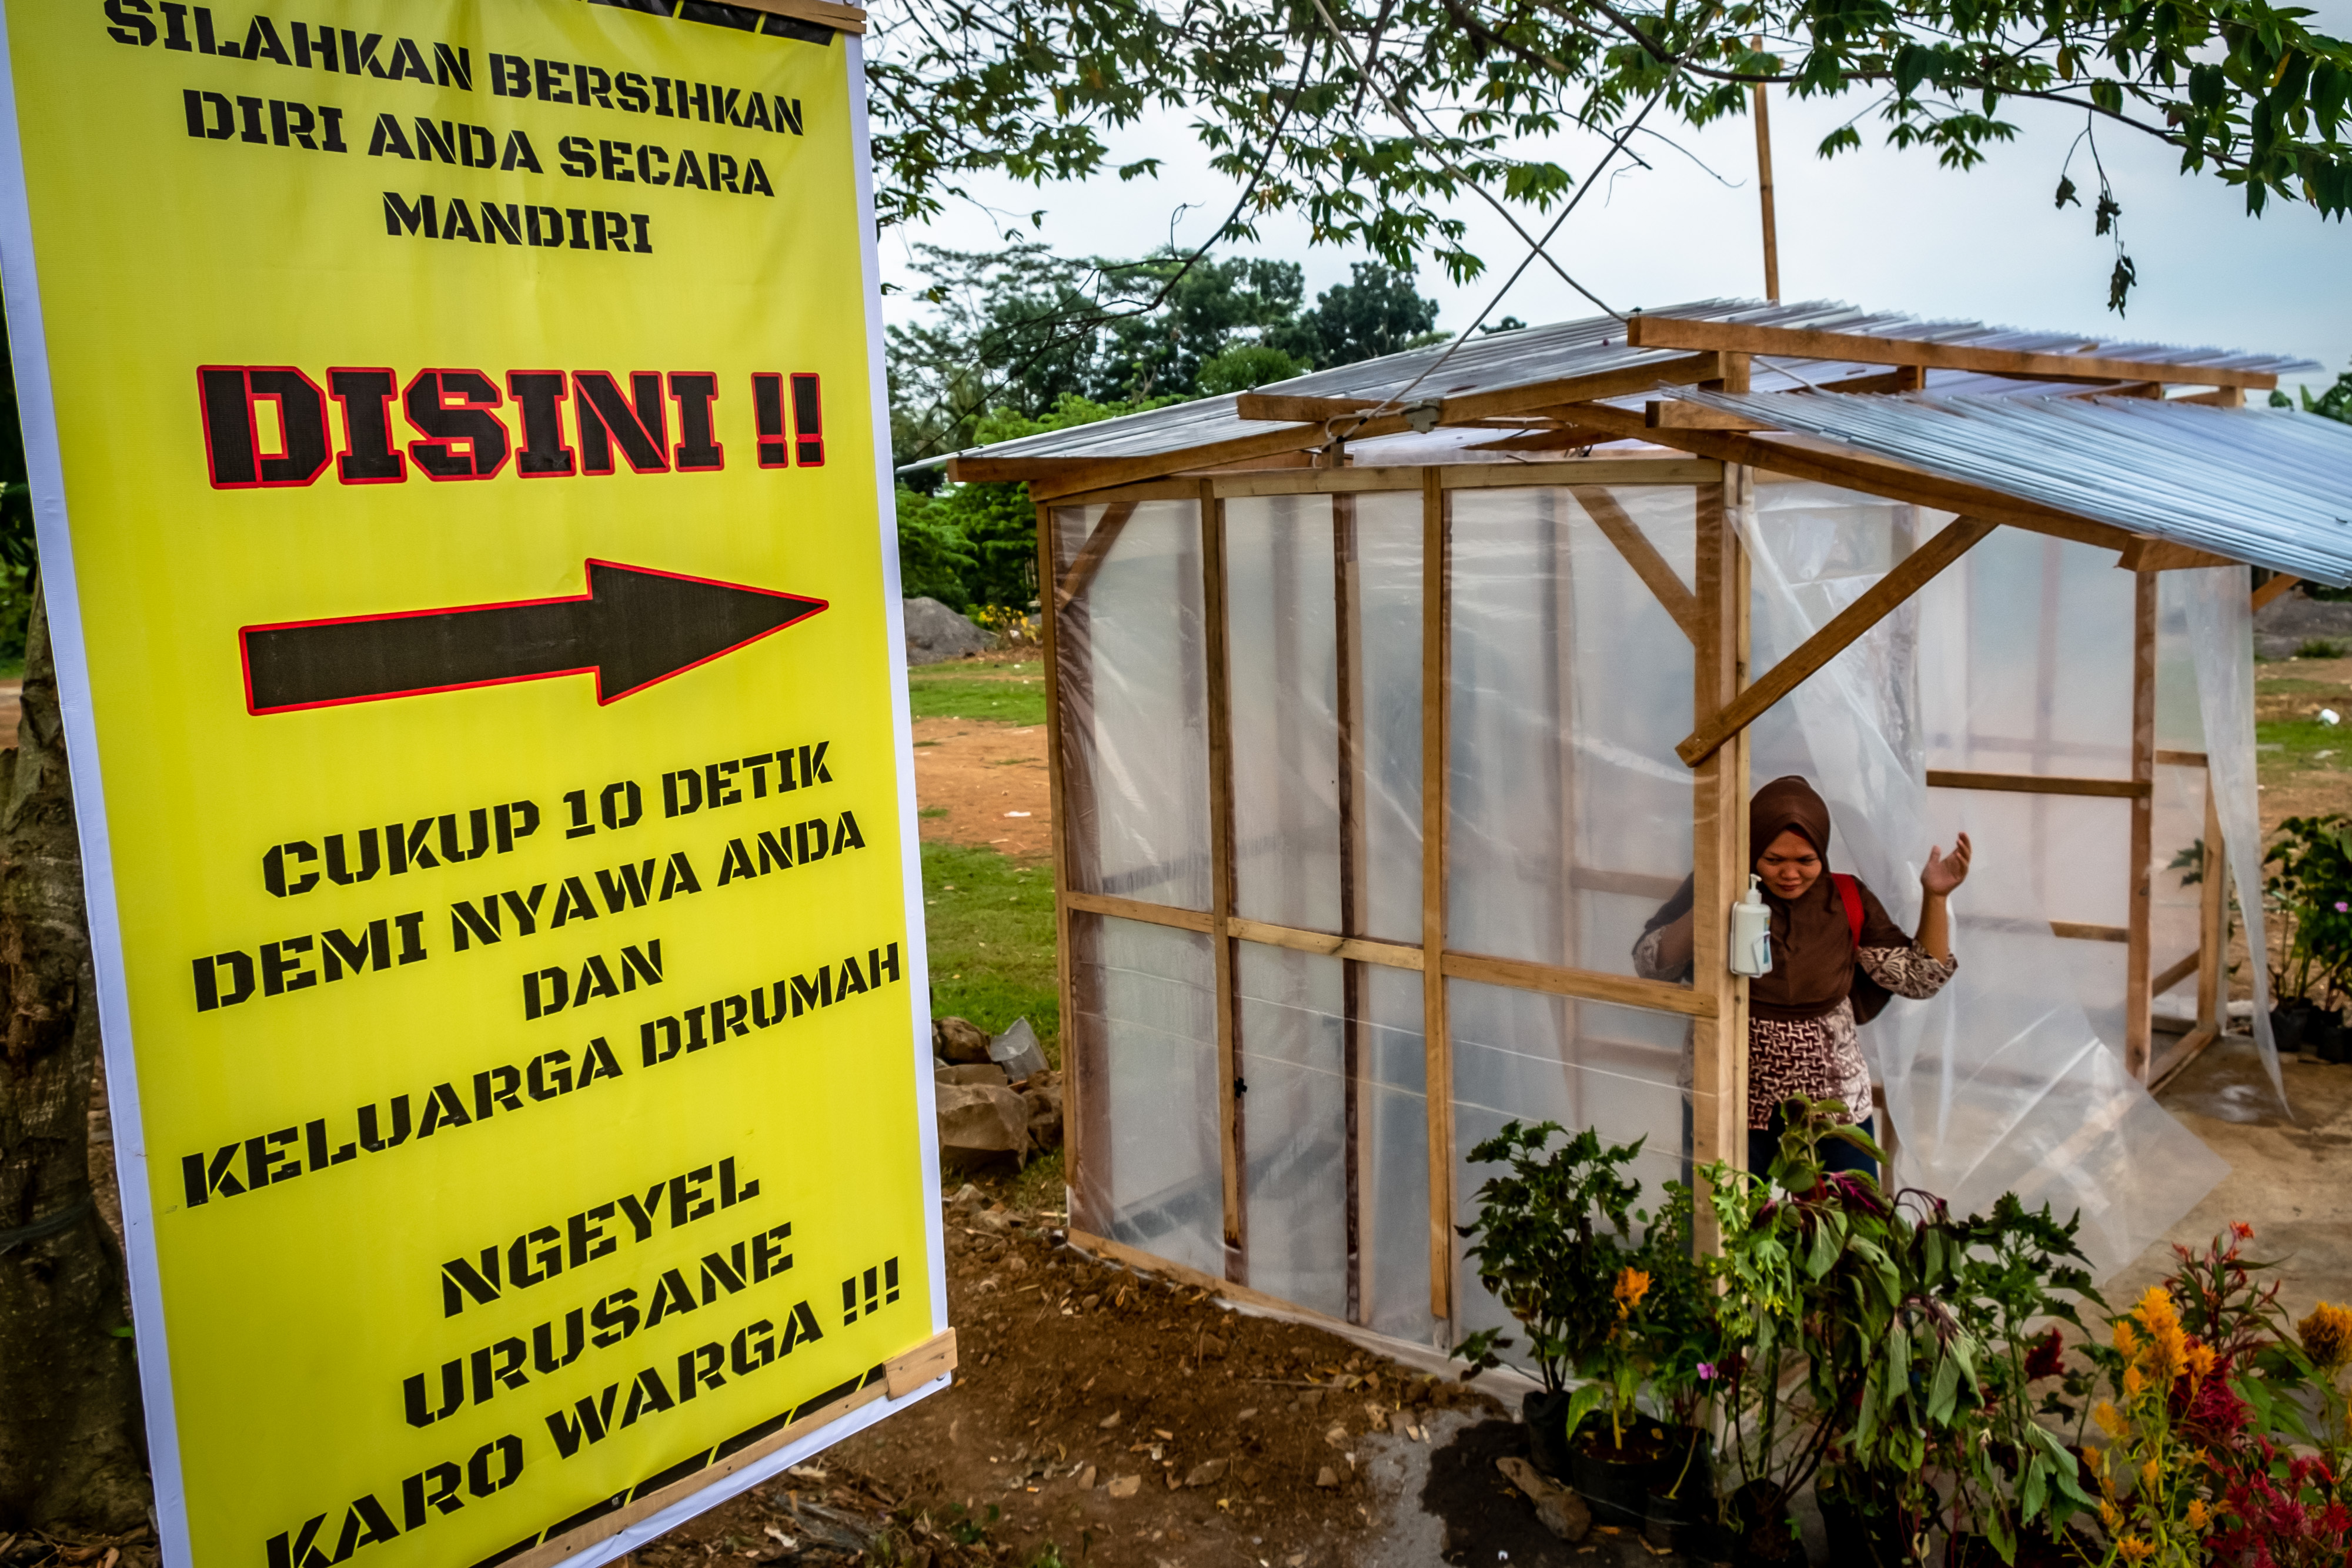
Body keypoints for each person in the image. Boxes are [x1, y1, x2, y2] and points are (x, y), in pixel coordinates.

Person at [1633, 775, 1970, 1180]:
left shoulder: (1846, 899)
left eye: (1805, 860)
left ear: (1823, 853)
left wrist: (1936, 897)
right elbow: (1652, 964)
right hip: (1728, 1094)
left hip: (1831, 1103)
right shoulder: (1718, 886)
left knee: (1845, 1224)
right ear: (1752, 848)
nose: (1790, 874)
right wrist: (1712, 898)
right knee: (1720, 1223)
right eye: (1773, 859)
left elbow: (1922, 978)